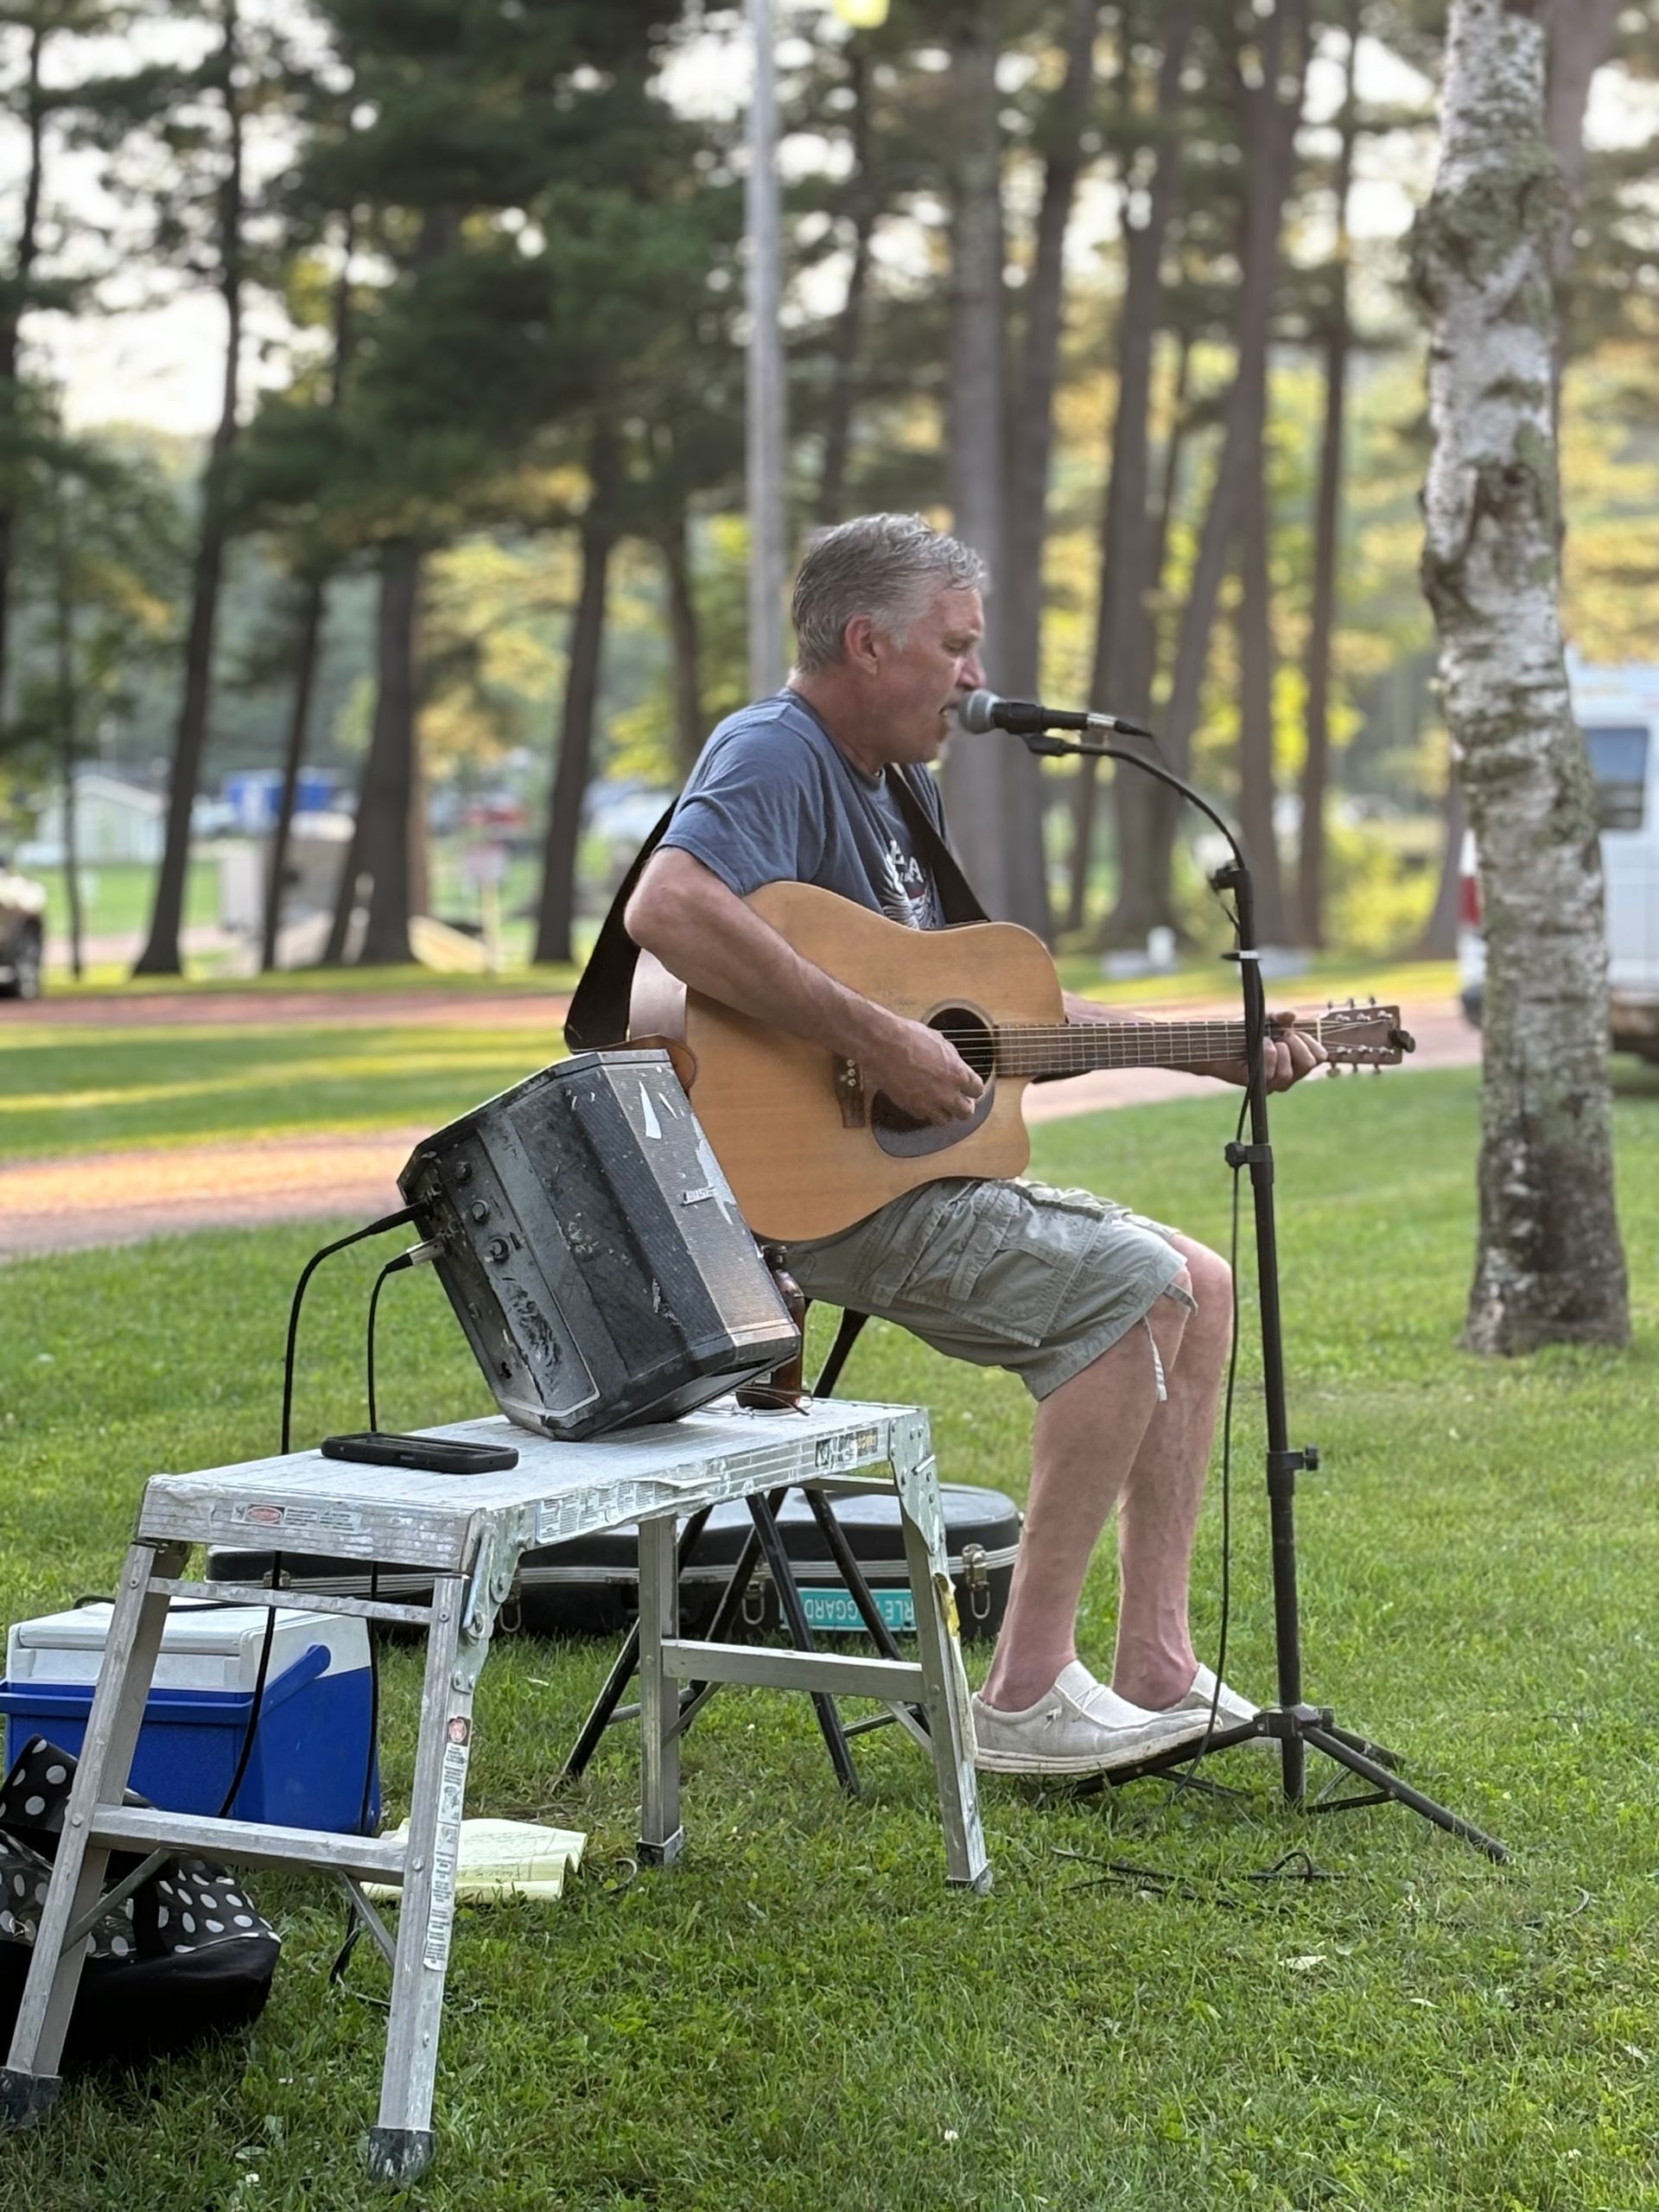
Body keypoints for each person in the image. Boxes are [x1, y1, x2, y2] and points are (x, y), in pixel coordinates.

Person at [624, 513, 1325, 1776]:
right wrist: (874, 1041)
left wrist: (1211, 1046)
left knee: (1204, 1287)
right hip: (803, 1194)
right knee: (1137, 1287)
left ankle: (1158, 1663)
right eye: (955, 648)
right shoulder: (775, 749)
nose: (972, 678)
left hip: (897, 1175)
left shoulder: (904, 792)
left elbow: (997, 1022)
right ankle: (1024, 1688)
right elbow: (668, 908)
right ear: (866, 640)